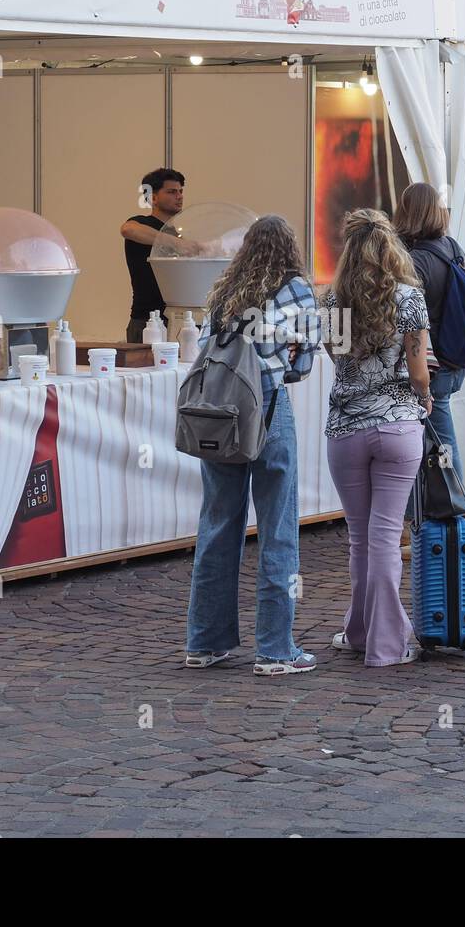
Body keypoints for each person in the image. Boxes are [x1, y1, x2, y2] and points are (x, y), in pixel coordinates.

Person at [184, 215, 323, 676]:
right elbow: (305, 360)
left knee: (218, 524)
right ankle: (275, 649)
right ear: (290, 248)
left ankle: (204, 641)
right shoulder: (296, 289)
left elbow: (203, 349)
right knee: (278, 528)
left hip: (219, 416)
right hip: (267, 411)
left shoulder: (224, 291)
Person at [322, 210, 430, 668]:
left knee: (360, 538)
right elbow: (420, 371)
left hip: (347, 427)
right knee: (386, 537)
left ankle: (361, 631)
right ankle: (386, 645)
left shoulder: (331, 302)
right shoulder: (409, 299)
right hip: (399, 424)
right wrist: (422, 395)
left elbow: (338, 357)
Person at [394, 181, 465, 481]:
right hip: (456, 353)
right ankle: (440, 500)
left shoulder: (413, 262)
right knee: (437, 435)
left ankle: (453, 496)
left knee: (441, 440)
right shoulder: (452, 248)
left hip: (431, 361)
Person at [120, 168, 185, 344]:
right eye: (171, 192)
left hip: (173, 319)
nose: (179, 196)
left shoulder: (176, 234)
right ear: (153, 197)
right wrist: (180, 244)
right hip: (146, 321)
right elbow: (127, 229)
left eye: (180, 191)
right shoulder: (142, 223)